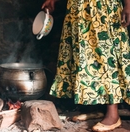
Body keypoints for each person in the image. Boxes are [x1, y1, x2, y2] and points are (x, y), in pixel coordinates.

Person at [42, 0, 130, 131]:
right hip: (79, 9)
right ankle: (98, 108)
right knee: (84, 58)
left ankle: (113, 114)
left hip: (102, 9)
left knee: (106, 57)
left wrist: (128, 4)